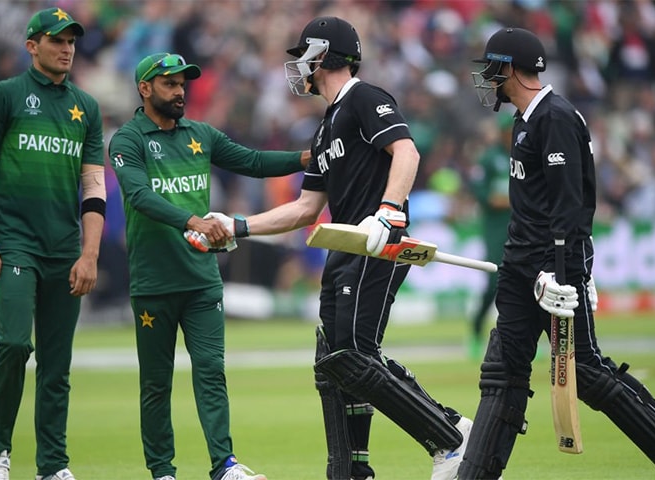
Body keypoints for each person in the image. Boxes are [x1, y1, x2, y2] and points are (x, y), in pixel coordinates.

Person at [191, 16, 472, 480]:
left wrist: (389, 210)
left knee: (354, 356)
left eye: (302, 54)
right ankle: (350, 470)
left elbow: (407, 152)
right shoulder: (325, 126)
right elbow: (305, 208)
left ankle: (450, 439)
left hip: (377, 242)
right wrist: (237, 225)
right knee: (333, 362)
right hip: (344, 246)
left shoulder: (365, 97)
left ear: (322, 54)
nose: (297, 66)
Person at [458, 27, 655, 480]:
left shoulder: (556, 117)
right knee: (502, 371)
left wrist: (565, 273)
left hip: (553, 271)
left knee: (586, 373)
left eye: (493, 68)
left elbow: (570, 206)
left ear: (511, 68)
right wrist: (525, 265)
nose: (488, 78)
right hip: (520, 266)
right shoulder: (523, 121)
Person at [108, 52, 310, 480]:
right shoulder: (127, 141)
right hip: (153, 284)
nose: (180, 91)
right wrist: (193, 220)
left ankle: (225, 466)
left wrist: (303, 159)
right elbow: (139, 196)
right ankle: (162, 471)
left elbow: (253, 162)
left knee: (211, 373)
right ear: (144, 89)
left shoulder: (199, 133)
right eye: (169, 83)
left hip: (201, 280)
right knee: (156, 384)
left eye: (183, 83)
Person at [0, 8, 105, 480]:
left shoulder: (86, 107)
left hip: (65, 246)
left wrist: (89, 254)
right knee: (12, 344)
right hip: (13, 243)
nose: (66, 48)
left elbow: (93, 186)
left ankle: (52, 467)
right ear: (32, 46)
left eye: (71, 41)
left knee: (57, 365)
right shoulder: (5, 95)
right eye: (56, 40)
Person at [466, 113, 512, 360]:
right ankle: (474, 332)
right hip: (495, 231)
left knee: (523, 285)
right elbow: (484, 194)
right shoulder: (489, 158)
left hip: (521, 228)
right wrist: (504, 201)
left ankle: (520, 341)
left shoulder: (523, 155)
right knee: (494, 283)